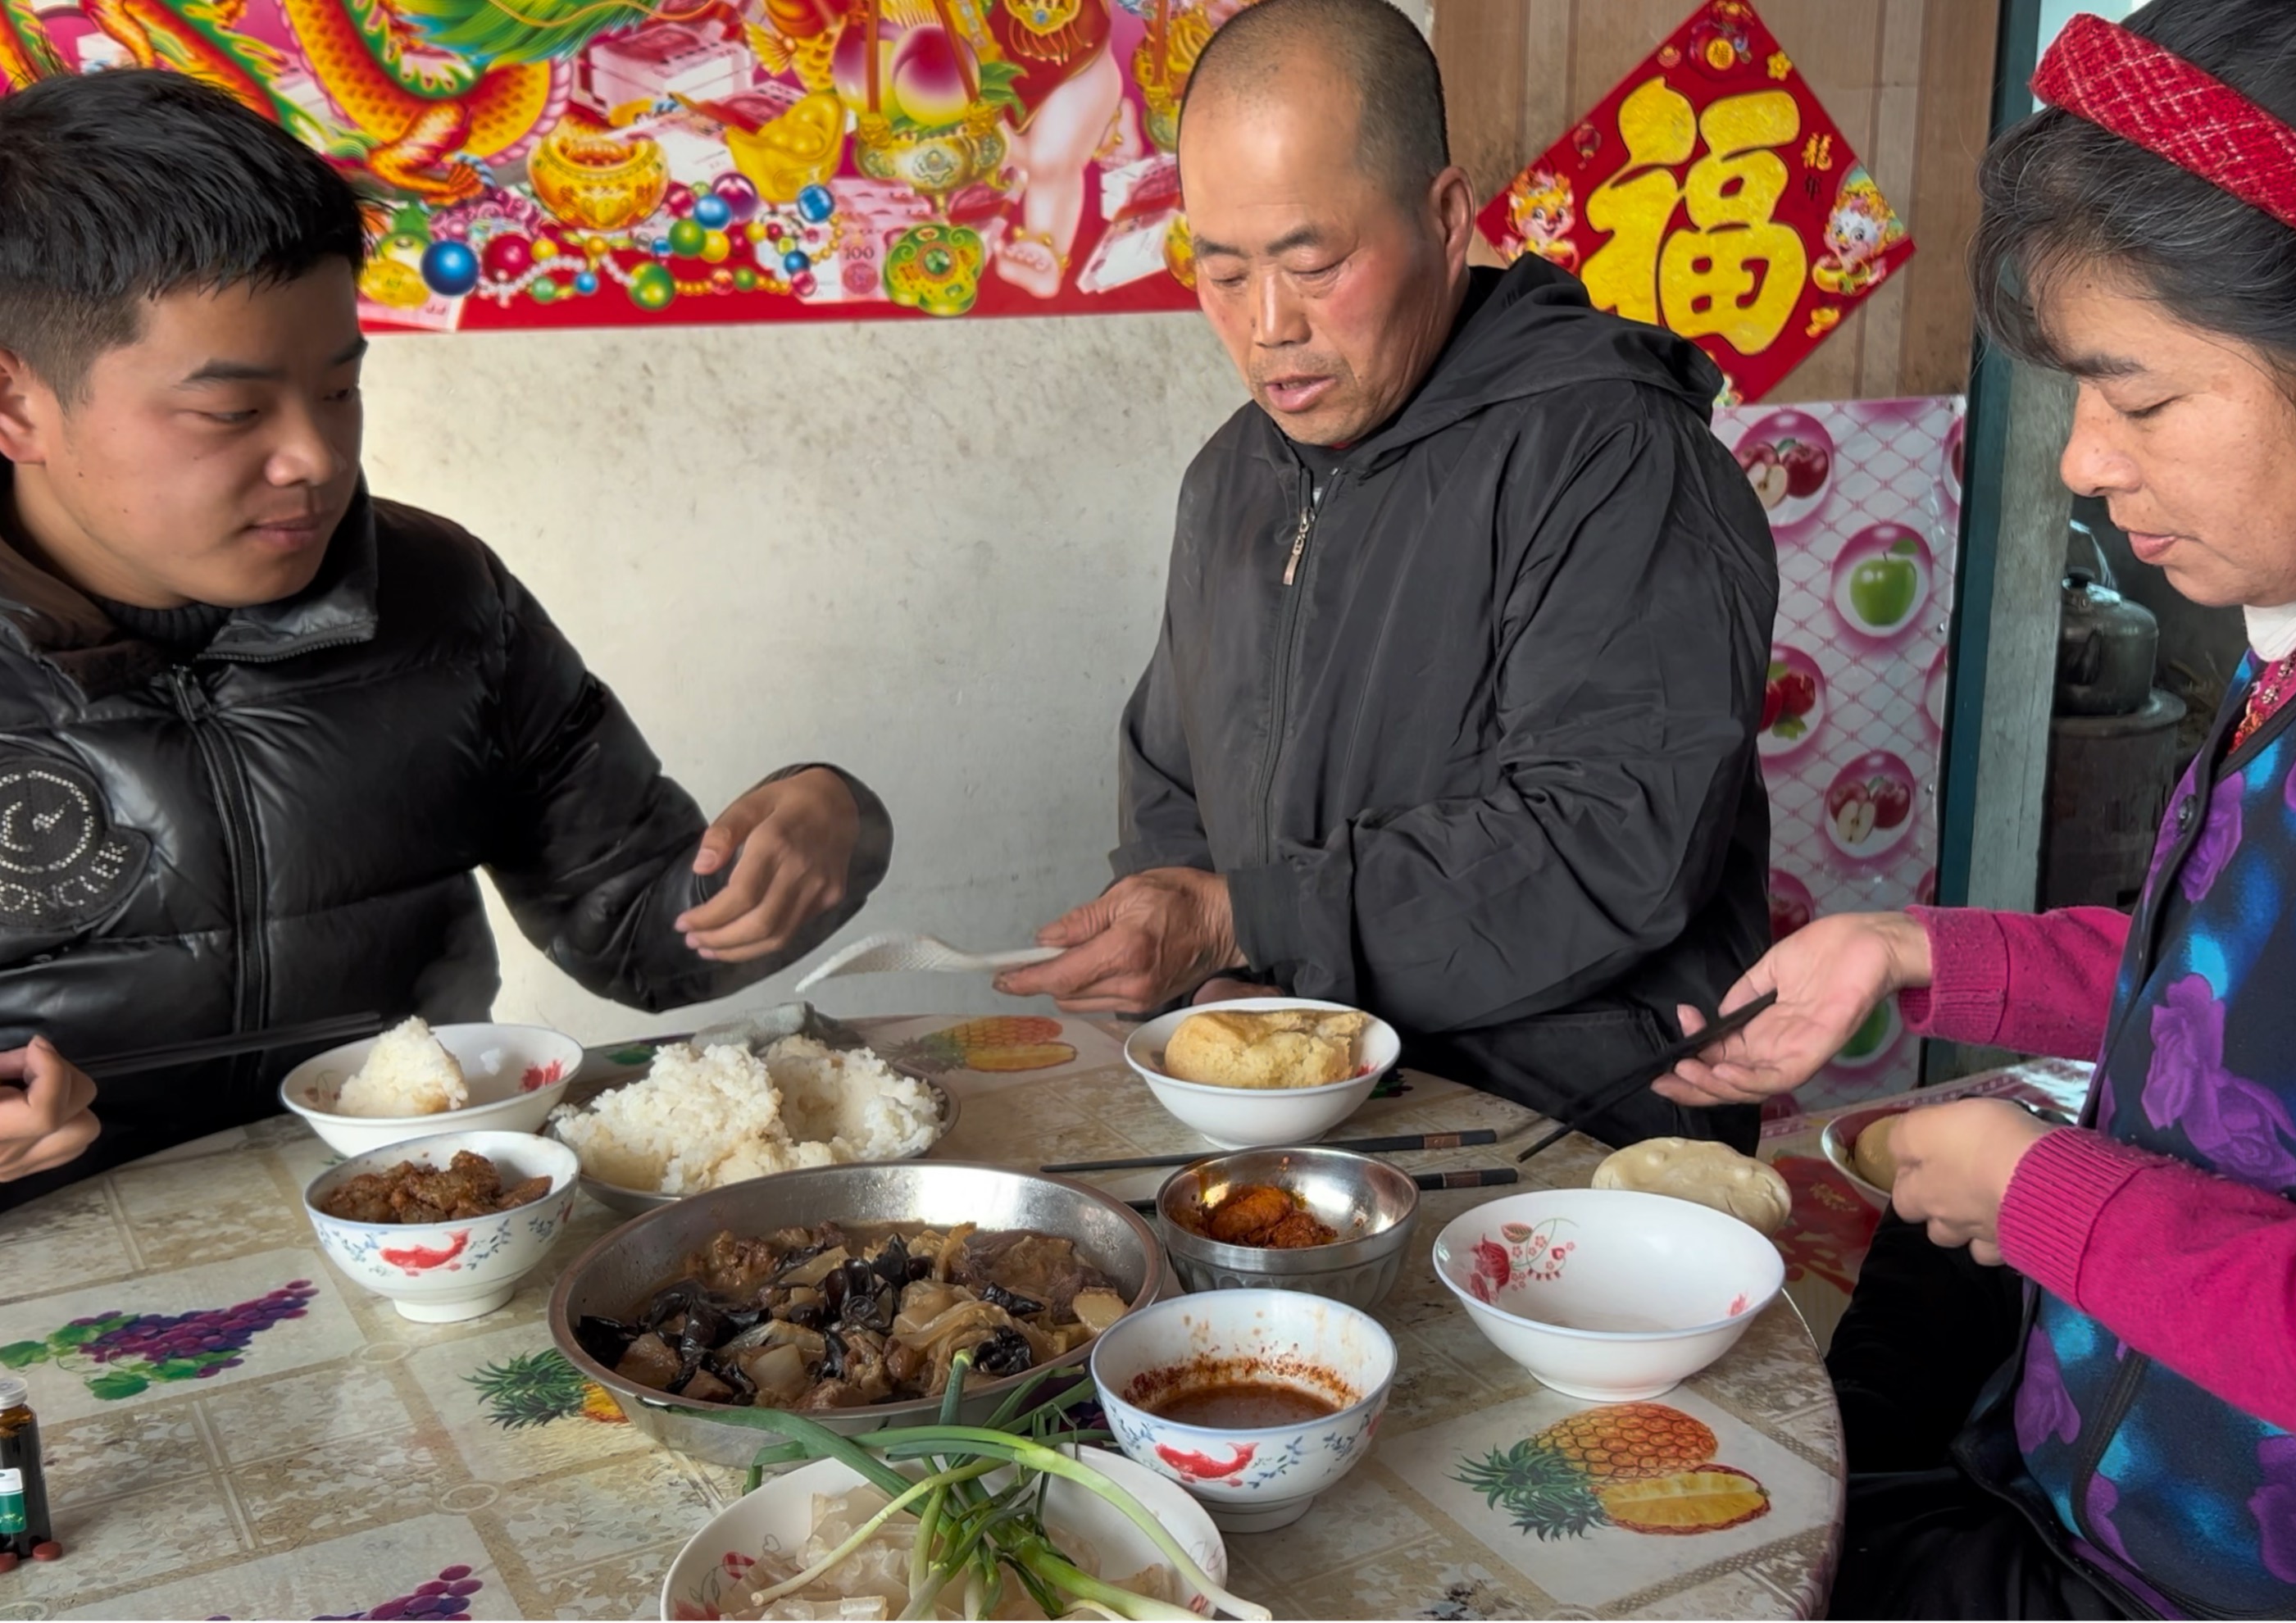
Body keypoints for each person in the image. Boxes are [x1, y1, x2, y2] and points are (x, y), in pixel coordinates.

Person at [1664, 0, 2296, 1614]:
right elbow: (2278, 993)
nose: (2086, 463)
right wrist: (1916, 955)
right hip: (2105, 1475)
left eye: (2143, 400)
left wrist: (2046, 1201)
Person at [0, 71, 893, 1210]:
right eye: (233, 413)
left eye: (338, 390)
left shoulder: (440, 599)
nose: (315, 458)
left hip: (416, 1219)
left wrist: (826, 827)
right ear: (17, 405)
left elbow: (641, 937)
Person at [998, 0, 1780, 1150]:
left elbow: (1610, 838)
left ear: (1447, 218)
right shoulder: (1232, 478)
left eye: (1315, 264)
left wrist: (1247, 923)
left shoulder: (1609, 455)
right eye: (1221, 274)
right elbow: (1172, 773)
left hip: (1566, 1140)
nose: (1270, 327)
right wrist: (1206, 965)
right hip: (1303, 1117)